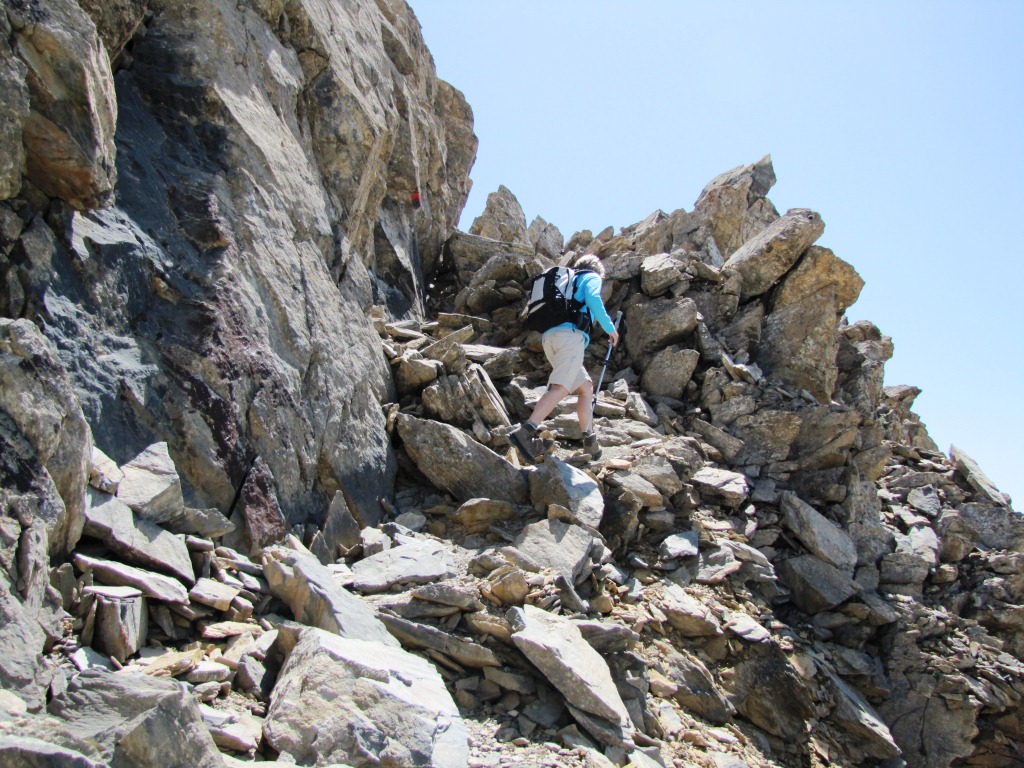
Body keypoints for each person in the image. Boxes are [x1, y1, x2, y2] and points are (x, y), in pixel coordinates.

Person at [510, 254, 620, 462]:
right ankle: (525, 433)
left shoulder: (566, 282)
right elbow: (594, 299)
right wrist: (610, 329)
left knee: (585, 387)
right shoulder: (591, 277)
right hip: (570, 338)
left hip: (550, 339)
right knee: (560, 388)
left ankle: (590, 439)